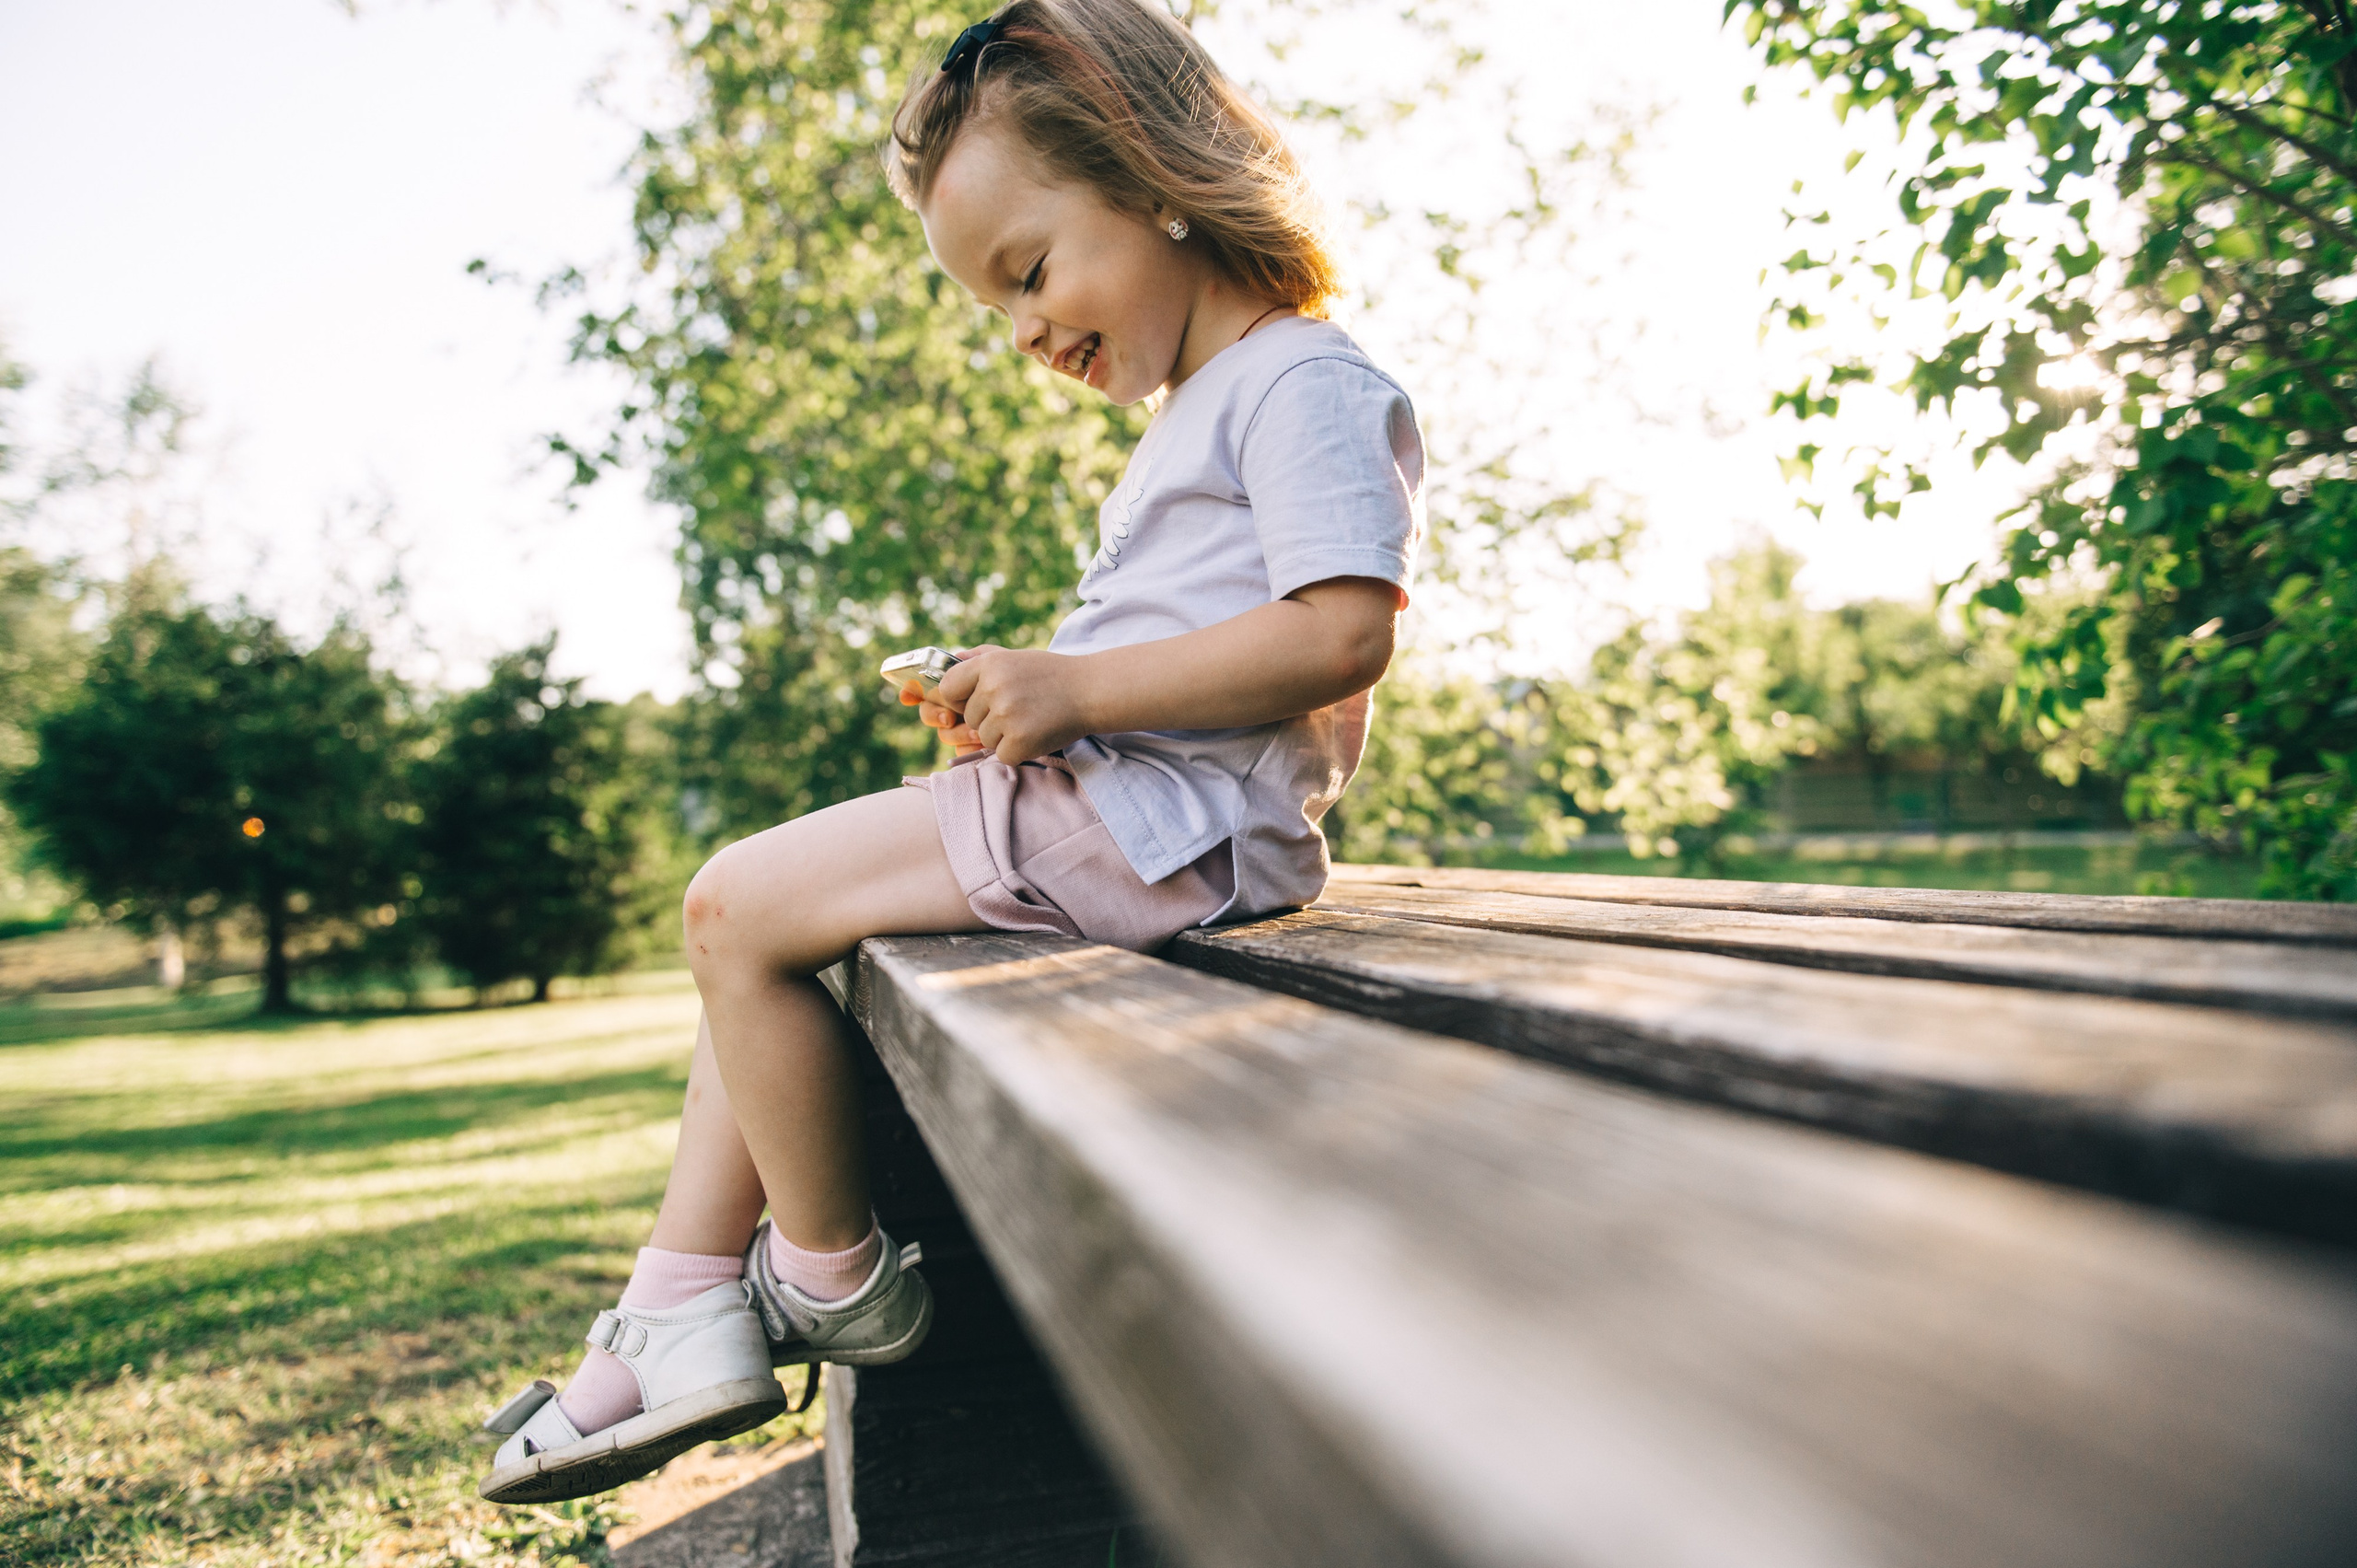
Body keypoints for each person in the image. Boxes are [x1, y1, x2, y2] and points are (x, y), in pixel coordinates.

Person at [478, 0, 1423, 1505]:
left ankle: (822, 1277)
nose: (1029, 334)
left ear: (1155, 171)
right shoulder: (1214, 402)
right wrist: (1027, 694)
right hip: (1119, 812)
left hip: (1154, 829)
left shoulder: (1304, 382)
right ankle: (675, 1306)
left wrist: (1079, 690)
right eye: (996, 306)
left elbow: (1338, 637)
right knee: (767, 931)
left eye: (1030, 272)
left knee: (734, 905)